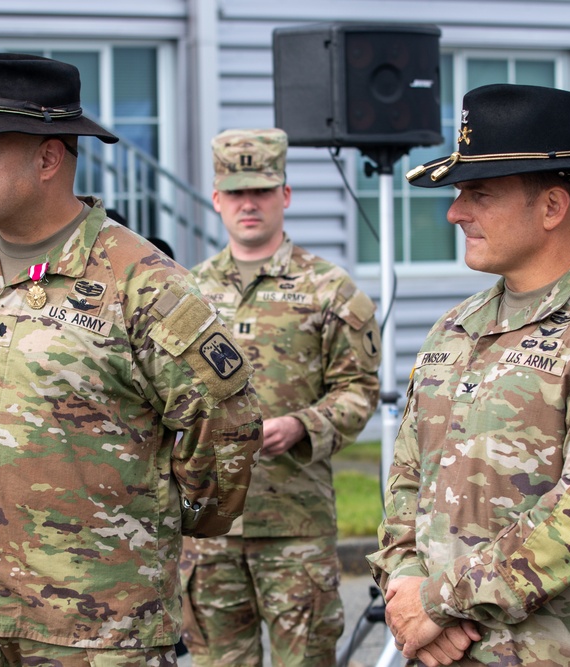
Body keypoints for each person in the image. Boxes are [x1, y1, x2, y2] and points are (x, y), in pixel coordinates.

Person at [0, 53, 263, 667]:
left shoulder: (142, 283)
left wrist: (159, 528)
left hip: (100, 625)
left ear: (47, 158)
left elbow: (224, 431)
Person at [367, 84, 570, 667]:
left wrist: (437, 603)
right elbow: (407, 484)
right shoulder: (456, 327)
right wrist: (405, 591)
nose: (455, 211)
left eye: (479, 194)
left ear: (550, 207)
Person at [178, 128, 381, 666]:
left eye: (262, 191)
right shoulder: (184, 293)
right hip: (209, 525)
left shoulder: (331, 291)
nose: (250, 204)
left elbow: (359, 390)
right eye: (237, 192)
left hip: (295, 525)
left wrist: (302, 426)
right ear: (217, 198)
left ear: (284, 196)